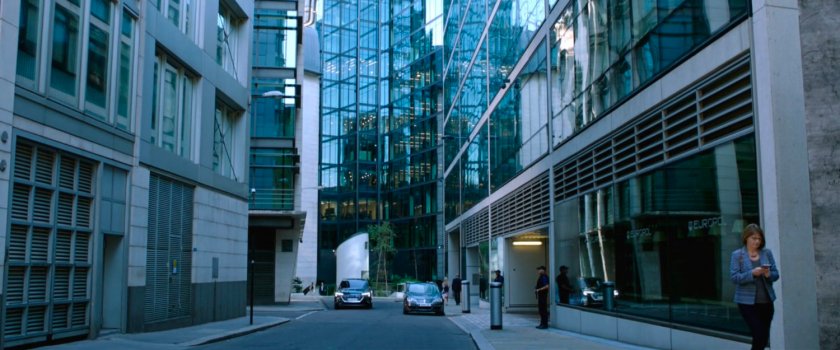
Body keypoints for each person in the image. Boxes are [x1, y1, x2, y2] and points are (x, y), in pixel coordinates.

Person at [730, 224, 779, 350]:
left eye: (759, 239)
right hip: (747, 303)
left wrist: (768, 274)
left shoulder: (766, 253)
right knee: (759, 333)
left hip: (766, 301)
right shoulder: (738, 255)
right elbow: (734, 277)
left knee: (763, 337)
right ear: (746, 238)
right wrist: (752, 273)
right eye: (754, 238)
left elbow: (776, 275)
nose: (757, 241)